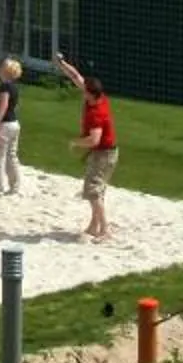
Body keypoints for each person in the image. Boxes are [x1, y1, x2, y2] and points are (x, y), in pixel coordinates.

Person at [53, 51, 116, 241]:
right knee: (98, 191)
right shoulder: (99, 97)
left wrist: (75, 142)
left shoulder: (96, 113)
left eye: (84, 90)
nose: (81, 89)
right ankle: (94, 226)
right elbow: (76, 76)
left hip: (103, 154)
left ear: (89, 93)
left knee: (92, 191)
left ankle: (105, 229)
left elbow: (94, 139)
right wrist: (62, 64)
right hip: (106, 153)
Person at [0, 56, 25, 196]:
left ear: (5, 71)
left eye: (2, 67)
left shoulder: (5, 87)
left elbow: (3, 106)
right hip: (14, 123)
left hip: (5, 125)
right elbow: (13, 107)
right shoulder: (14, 87)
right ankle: (15, 186)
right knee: (11, 156)